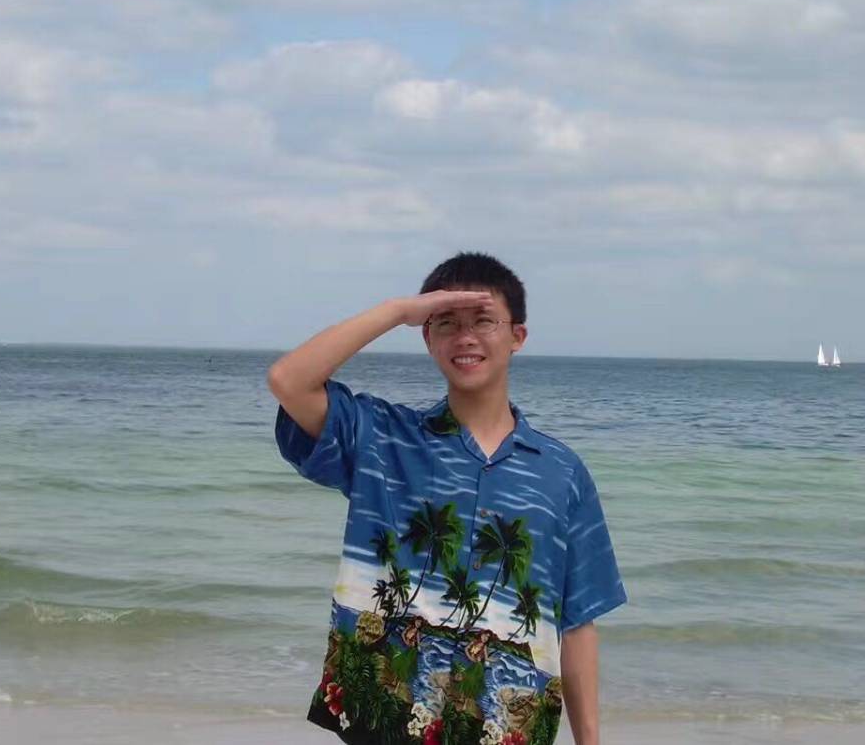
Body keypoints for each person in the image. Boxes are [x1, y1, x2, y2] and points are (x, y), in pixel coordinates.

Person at [267, 252, 626, 745]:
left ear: (517, 336)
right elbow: (289, 380)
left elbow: (579, 620)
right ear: (427, 338)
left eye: (483, 321)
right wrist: (398, 311)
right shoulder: (383, 438)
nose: (466, 337)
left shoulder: (562, 473)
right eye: (447, 323)